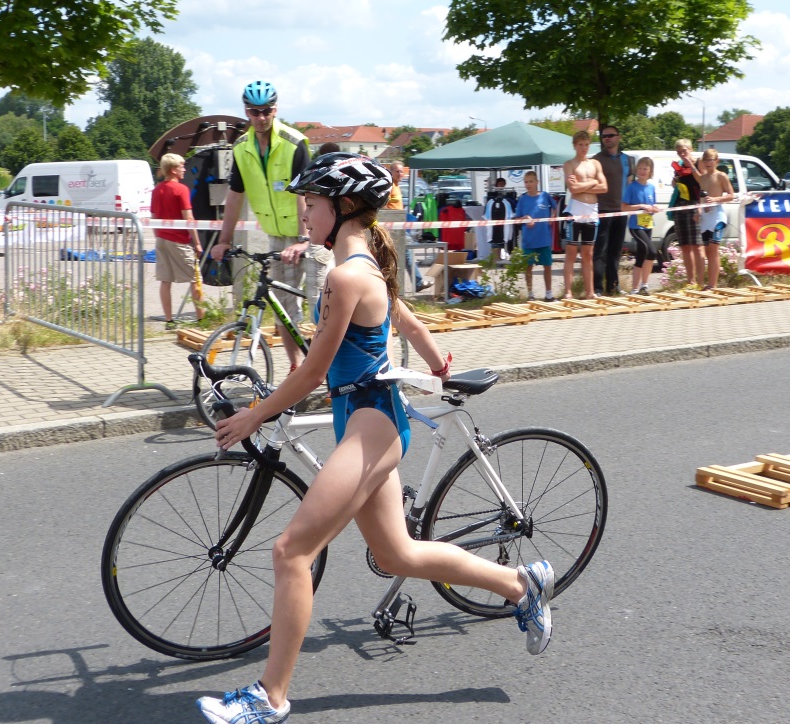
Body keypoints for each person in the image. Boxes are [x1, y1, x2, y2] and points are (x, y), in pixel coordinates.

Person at [196, 153, 554, 723]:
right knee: (398, 554)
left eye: (309, 204)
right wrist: (438, 360)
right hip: (367, 419)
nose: (302, 214)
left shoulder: (346, 274)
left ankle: (269, 698)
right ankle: (520, 584)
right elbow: (400, 317)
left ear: (341, 208)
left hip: (371, 424)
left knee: (291, 551)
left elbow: (313, 373)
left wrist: (253, 416)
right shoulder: (357, 269)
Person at [211, 80, 332, 371]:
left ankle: (336, 371)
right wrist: (224, 240)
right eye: (254, 112)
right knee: (282, 307)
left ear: (275, 110)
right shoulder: (241, 148)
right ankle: (296, 367)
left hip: (312, 234)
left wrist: (305, 239)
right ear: (246, 112)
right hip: (277, 237)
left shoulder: (293, 143)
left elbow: (306, 193)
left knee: (322, 308)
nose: (261, 117)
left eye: (266, 111)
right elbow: (235, 195)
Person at [150, 153, 205, 329]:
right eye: (182, 166)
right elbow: (188, 218)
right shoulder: (181, 189)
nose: (184, 169)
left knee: (165, 281)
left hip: (161, 240)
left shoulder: (157, 189)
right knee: (195, 279)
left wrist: (158, 234)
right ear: (173, 170)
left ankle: (169, 321)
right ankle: (202, 320)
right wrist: (196, 243)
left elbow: (153, 216)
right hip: (179, 241)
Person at [562, 130, 607, 299]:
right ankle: (568, 292)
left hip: (592, 210)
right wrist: (593, 181)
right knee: (571, 252)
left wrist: (585, 184)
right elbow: (573, 189)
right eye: (580, 144)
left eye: (586, 144)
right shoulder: (569, 164)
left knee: (588, 254)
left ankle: (590, 292)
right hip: (575, 210)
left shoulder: (595, 164)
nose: (583, 148)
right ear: (575, 145)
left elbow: (604, 187)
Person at [592, 125, 634, 295]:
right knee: (600, 251)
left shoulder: (627, 160)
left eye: (610, 135)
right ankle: (597, 288)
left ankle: (613, 286)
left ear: (619, 137)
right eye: (604, 136)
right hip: (603, 210)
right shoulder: (596, 160)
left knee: (615, 251)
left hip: (621, 211)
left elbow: (630, 183)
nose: (607, 138)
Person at [385, 162, 433, 292]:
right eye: (397, 172)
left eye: (401, 172)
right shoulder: (389, 186)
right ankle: (415, 282)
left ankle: (412, 283)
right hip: (392, 226)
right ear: (391, 172)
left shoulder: (397, 186)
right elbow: (383, 205)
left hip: (398, 225)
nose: (400, 174)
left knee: (403, 255)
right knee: (403, 254)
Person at [514, 170, 559, 301]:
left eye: (531, 181)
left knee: (548, 266)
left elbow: (555, 207)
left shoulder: (545, 196)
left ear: (537, 182)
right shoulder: (522, 199)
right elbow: (516, 218)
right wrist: (525, 218)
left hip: (544, 238)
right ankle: (530, 294)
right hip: (529, 240)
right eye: (526, 182)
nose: (528, 184)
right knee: (528, 267)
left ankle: (549, 294)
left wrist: (552, 216)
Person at [621, 156, 660, 295]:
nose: (642, 171)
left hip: (648, 224)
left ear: (650, 171)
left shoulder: (651, 187)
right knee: (651, 250)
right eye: (640, 168)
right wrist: (640, 206)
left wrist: (654, 208)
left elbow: (653, 205)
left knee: (642, 254)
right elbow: (624, 207)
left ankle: (639, 287)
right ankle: (639, 287)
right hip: (635, 225)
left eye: (645, 168)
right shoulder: (632, 187)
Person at [697, 148, 735, 290]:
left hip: (718, 216)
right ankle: (709, 284)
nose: (708, 163)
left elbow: (731, 195)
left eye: (710, 160)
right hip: (706, 217)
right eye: (705, 160)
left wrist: (715, 199)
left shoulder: (721, 176)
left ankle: (713, 284)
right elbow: (701, 198)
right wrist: (699, 210)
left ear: (716, 161)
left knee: (713, 248)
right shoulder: (703, 178)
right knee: (707, 251)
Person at [670, 138, 704, 287]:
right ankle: (691, 281)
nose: (682, 154)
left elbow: (702, 181)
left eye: (684, 151)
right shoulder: (679, 166)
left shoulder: (698, 162)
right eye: (679, 152)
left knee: (697, 245)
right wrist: (675, 181)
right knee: (685, 246)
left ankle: (701, 281)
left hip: (695, 205)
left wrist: (692, 166)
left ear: (691, 149)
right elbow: (677, 186)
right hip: (680, 205)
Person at [484, 177, 515, 261]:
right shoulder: (490, 201)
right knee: (495, 246)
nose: (502, 186)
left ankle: (502, 258)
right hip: (494, 231)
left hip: (504, 231)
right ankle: (496, 260)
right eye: (500, 184)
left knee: (504, 244)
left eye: (503, 184)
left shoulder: (508, 200)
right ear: (496, 185)